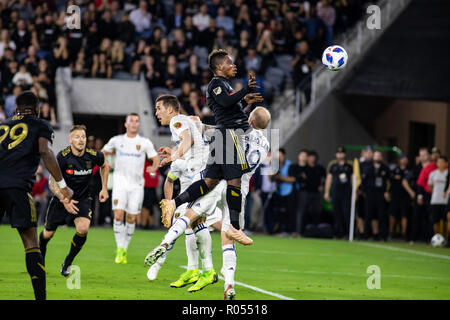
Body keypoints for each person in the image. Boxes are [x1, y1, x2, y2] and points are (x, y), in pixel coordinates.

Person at [145, 106, 271, 300]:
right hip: (239, 191)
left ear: (251, 121)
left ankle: (165, 243)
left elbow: (209, 129)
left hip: (220, 182)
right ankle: (228, 284)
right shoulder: (265, 144)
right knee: (228, 238)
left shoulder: (238, 129)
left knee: (190, 214)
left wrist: (194, 123)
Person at [158, 49, 261, 244]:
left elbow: (230, 109)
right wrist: (245, 90)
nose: (234, 66)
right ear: (219, 66)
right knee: (235, 182)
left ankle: (173, 202)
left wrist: (245, 102)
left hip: (225, 136)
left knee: (210, 182)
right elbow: (226, 101)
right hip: (229, 137)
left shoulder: (225, 85)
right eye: (230, 63)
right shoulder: (216, 84)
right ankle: (234, 228)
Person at [0, 91, 72, 300]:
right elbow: (45, 151)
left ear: (16, 109)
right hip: (17, 186)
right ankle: (40, 297)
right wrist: (62, 185)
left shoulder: (3, 124)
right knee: (31, 242)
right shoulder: (40, 125)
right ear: (38, 109)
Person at [148, 94, 222, 292]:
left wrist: (173, 155)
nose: (156, 113)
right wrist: (173, 152)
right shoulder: (187, 121)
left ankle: (163, 252)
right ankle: (196, 270)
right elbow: (192, 137)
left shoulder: (177, 120)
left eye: (158, 108)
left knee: (185, 217)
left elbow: (187, 140)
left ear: (170, 110)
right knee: (194, 223)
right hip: (206, 174)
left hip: (204, 176)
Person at [39, 125, 109, 276]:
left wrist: (104, 188)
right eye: (77, 137)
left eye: (83, 137)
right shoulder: (62, 157)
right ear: (70, 140)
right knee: (48, 234)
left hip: (82, 198)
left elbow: (105, 166)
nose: (81, 140)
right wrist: (64, 199)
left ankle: (67, 262)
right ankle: (40, 257)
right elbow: (52, 182)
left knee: (83, 229)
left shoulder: (94, 155)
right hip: (61, 199)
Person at [102, 113, 160, 264]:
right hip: (120, 184)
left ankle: (125, 248)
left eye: (137, 121)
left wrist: (153, 167)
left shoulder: (144, 142)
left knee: (131, 218)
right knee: (119, 216)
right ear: (126, 124)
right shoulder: (117, 140)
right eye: (131, 121)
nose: (134, 123)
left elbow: (155, 158)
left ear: (139, 124)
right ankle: (120, 249)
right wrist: (105, 162)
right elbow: (102, 152)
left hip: (137, 186)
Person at [361, 151, 390, 241]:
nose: (377, 157)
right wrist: (364, 192)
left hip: (381, 194)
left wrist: (387, 191)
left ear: (381, 157)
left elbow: (389, 182)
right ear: (373, 157)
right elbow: (363, 182)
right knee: (368, 215)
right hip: (370, 194)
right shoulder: (368, 168)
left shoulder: (385, 168)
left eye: (379, 156)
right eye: (376, 156)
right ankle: (366, 235)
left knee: (382, 215)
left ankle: (383, 236)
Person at [324, 147, 353, 238]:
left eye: (342, 153)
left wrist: (355, 192)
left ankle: (348, 233)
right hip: (336, 192)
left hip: (346, 193)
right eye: (338, 153)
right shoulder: (333, 166)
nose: (340, 155)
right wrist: (327, 192)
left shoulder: (349, 166)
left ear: (344, 154)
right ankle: (338, 233)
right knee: (336, 213)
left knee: (347, 213)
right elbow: (329, 179)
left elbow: (353, 180)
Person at [270, 148, 296, 236]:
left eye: (280, 156)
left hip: (289, 191)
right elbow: (270, 179)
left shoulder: (290, 165)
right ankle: (280, 230)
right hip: (279, 192)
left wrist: (281, 178)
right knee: (279, 212)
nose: (279, 158)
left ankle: (290, 231)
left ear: (284, 156)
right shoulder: (274, 165)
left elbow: (293, 179)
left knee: (289, 212)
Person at [415, 147, 438, 242]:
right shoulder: (422, 168)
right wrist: (420, 195)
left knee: (433, 217)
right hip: (427, 194)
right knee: (424, 216)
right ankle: (423, 237)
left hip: (438, 196)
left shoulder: (437, 166)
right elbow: (420, 183)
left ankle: (431, 236)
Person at [388, 155, 412, 240]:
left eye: (405, 159)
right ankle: (391, 233)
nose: (404, 160)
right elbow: (390, 182)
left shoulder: (409, 171)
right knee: (392, 215)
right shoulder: (395, 170)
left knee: (404, 215)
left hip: (405, 197)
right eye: (402, 159)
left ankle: (404, 234)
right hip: (395, 196)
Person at [428, 156, 449, 239]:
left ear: (446, 163)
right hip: (435, 200)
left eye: (442, 162)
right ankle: (436, 237)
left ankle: (446, 238)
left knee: (446, 221)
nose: (440, 164)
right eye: (438, 162)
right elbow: (430, 187)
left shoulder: (448, 173)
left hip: (446, 201)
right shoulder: (433, 174)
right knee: (435, 220)